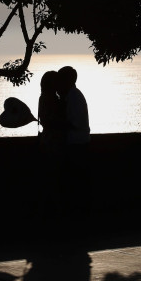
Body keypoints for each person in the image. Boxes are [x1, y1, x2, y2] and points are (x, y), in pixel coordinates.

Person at [56, 65, 91, 228]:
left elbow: (74, 123)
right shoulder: (71, 96)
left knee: (75, 183)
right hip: (77, 144)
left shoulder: (74, 98)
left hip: (77, 145)